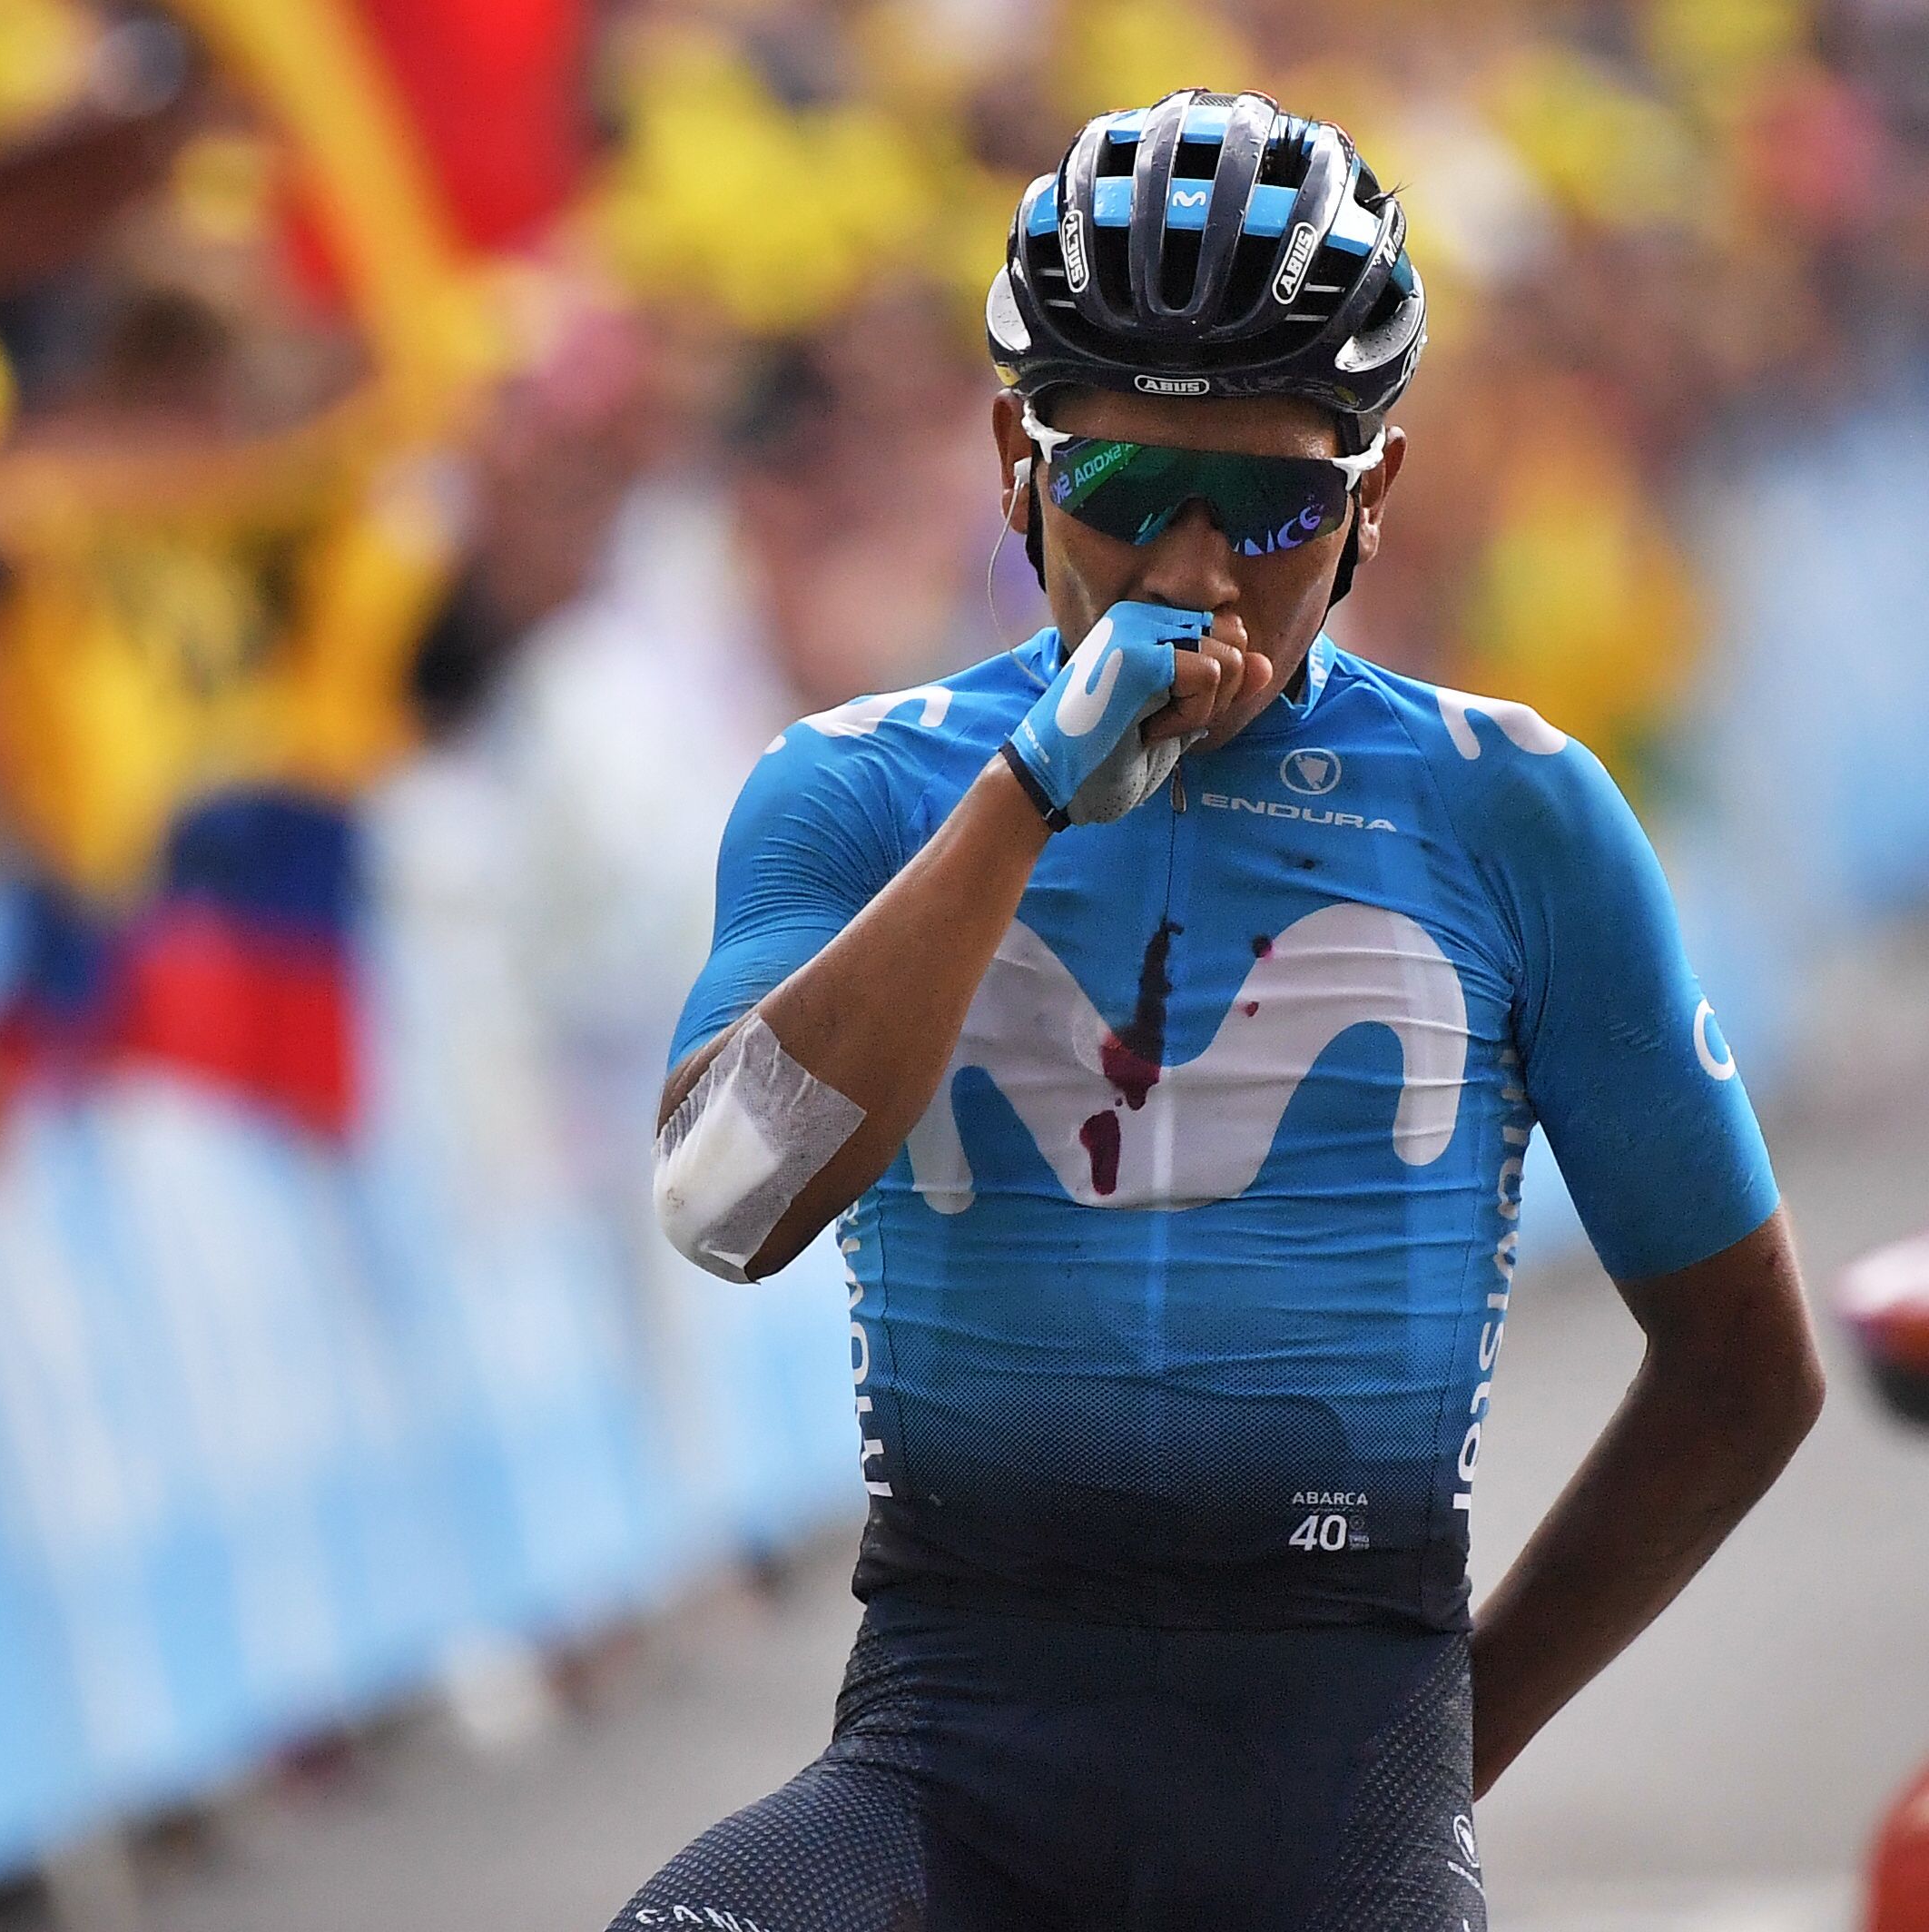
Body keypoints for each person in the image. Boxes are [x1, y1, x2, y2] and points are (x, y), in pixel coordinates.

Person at [625, 90, 1822, 1931]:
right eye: (1119, 489)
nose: (1189, 572)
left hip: (1331, 1789)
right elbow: (716, 1204)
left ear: (1374, 498)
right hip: (942, 1773)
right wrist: (1022, 798)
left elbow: (1746, 1372)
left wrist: (1432, 1764)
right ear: (1015, 461)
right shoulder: (857, 792)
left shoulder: (1514, 811)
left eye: (1267, 503)